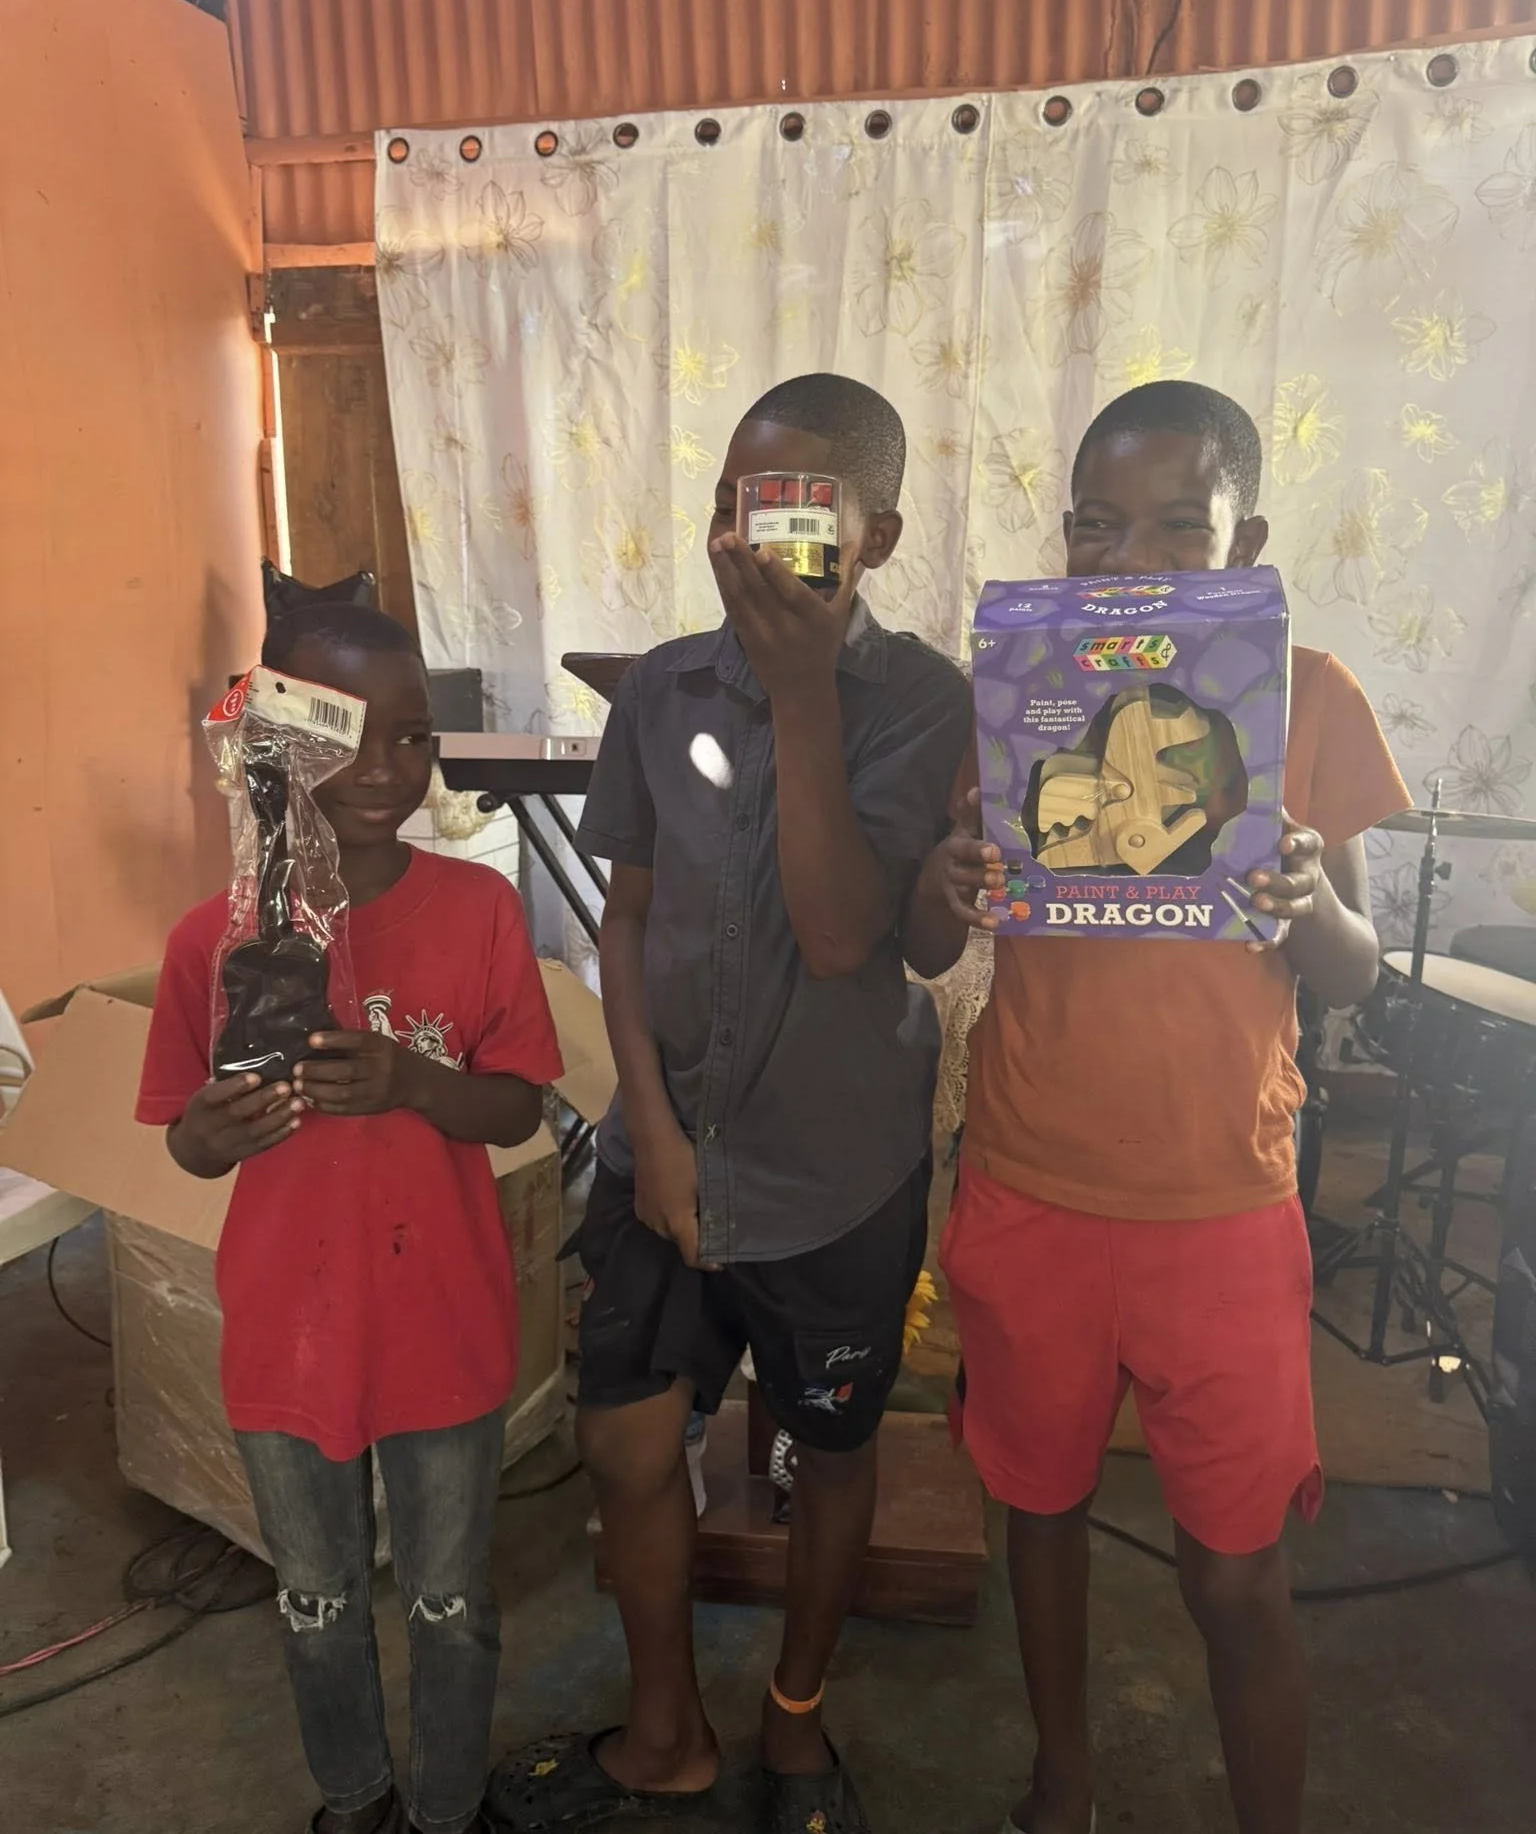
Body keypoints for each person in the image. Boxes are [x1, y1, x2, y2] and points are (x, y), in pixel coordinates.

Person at [903, 381, 1411, 1834]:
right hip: (1028, 1182)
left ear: (1246, 543)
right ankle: (1062, 1783)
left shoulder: (1306, 695)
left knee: (1236, 1569)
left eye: (1179, 526)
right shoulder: (1022, 691)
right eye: (1097, 526)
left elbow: (1359, 974)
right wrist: (942, 892)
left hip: (1223, 1207)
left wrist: (1308, 905)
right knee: (1041, 1509)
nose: (1132, 556)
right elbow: (942, 942)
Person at [492, 375, 970, 1834]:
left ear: (873, 535)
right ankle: (664, 1729)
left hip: (836, 1173)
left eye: (795, 510)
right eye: (730, 501)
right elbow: (623, 919)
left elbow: (843, 937)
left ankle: (795, 1713)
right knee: (634, 1447)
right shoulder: (658, 691)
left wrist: (806, 690)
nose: (744, 537)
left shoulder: (926, 702)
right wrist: (647, 1128)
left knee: (830, 1456)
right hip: (663, 1152)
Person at [136, 604, 564, 1834]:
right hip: (287, 1335)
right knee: (314, 1596)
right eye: (344, 737)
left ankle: (441, 1804)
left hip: (443, 1322)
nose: (385, 770)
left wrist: (413, 1081)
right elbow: (185, 1135)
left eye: (414, 736)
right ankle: (353, 1796)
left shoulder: (480, 913)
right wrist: (212, 1133)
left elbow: (517, 1105)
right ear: (271, 745)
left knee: (449, 1599)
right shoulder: (212, 943)